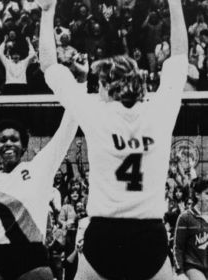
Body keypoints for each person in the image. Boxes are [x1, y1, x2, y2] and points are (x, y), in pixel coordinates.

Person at [38, 0, 188, 279]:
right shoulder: (161, 110)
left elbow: (48, 65)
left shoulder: (96, 113)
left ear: (106, 86)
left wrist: (47, 13)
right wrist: (175, 3)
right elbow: (180, 56)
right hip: (149, 235)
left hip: (105, 234)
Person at [0, 107, 79, 279]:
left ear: (24, 146)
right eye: (2, 140)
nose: (8, 144)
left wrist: (79, 89)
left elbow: (66, 131)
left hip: (32, 256)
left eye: (14, 139)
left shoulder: (39, 170)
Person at [173, 177, 208, 280]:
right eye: (207, 193)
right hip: (193, 266)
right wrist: (179, 272)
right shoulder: (186, 217)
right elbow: (177, 247)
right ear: (197, 195)